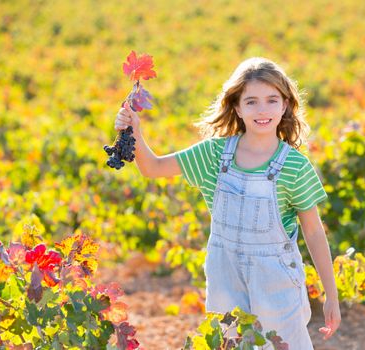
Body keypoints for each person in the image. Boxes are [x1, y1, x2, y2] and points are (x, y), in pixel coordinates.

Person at [114, 57, 341, 349]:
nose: (262, 110)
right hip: (226, 281)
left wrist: (331, 296)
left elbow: (313, 232)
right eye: (251, 102)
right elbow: (154, 168)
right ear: (237, 107)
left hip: (277, 285)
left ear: (285, 105)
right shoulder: (213, 154)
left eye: (272, 100)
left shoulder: (295, 166)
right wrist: (133, 130)